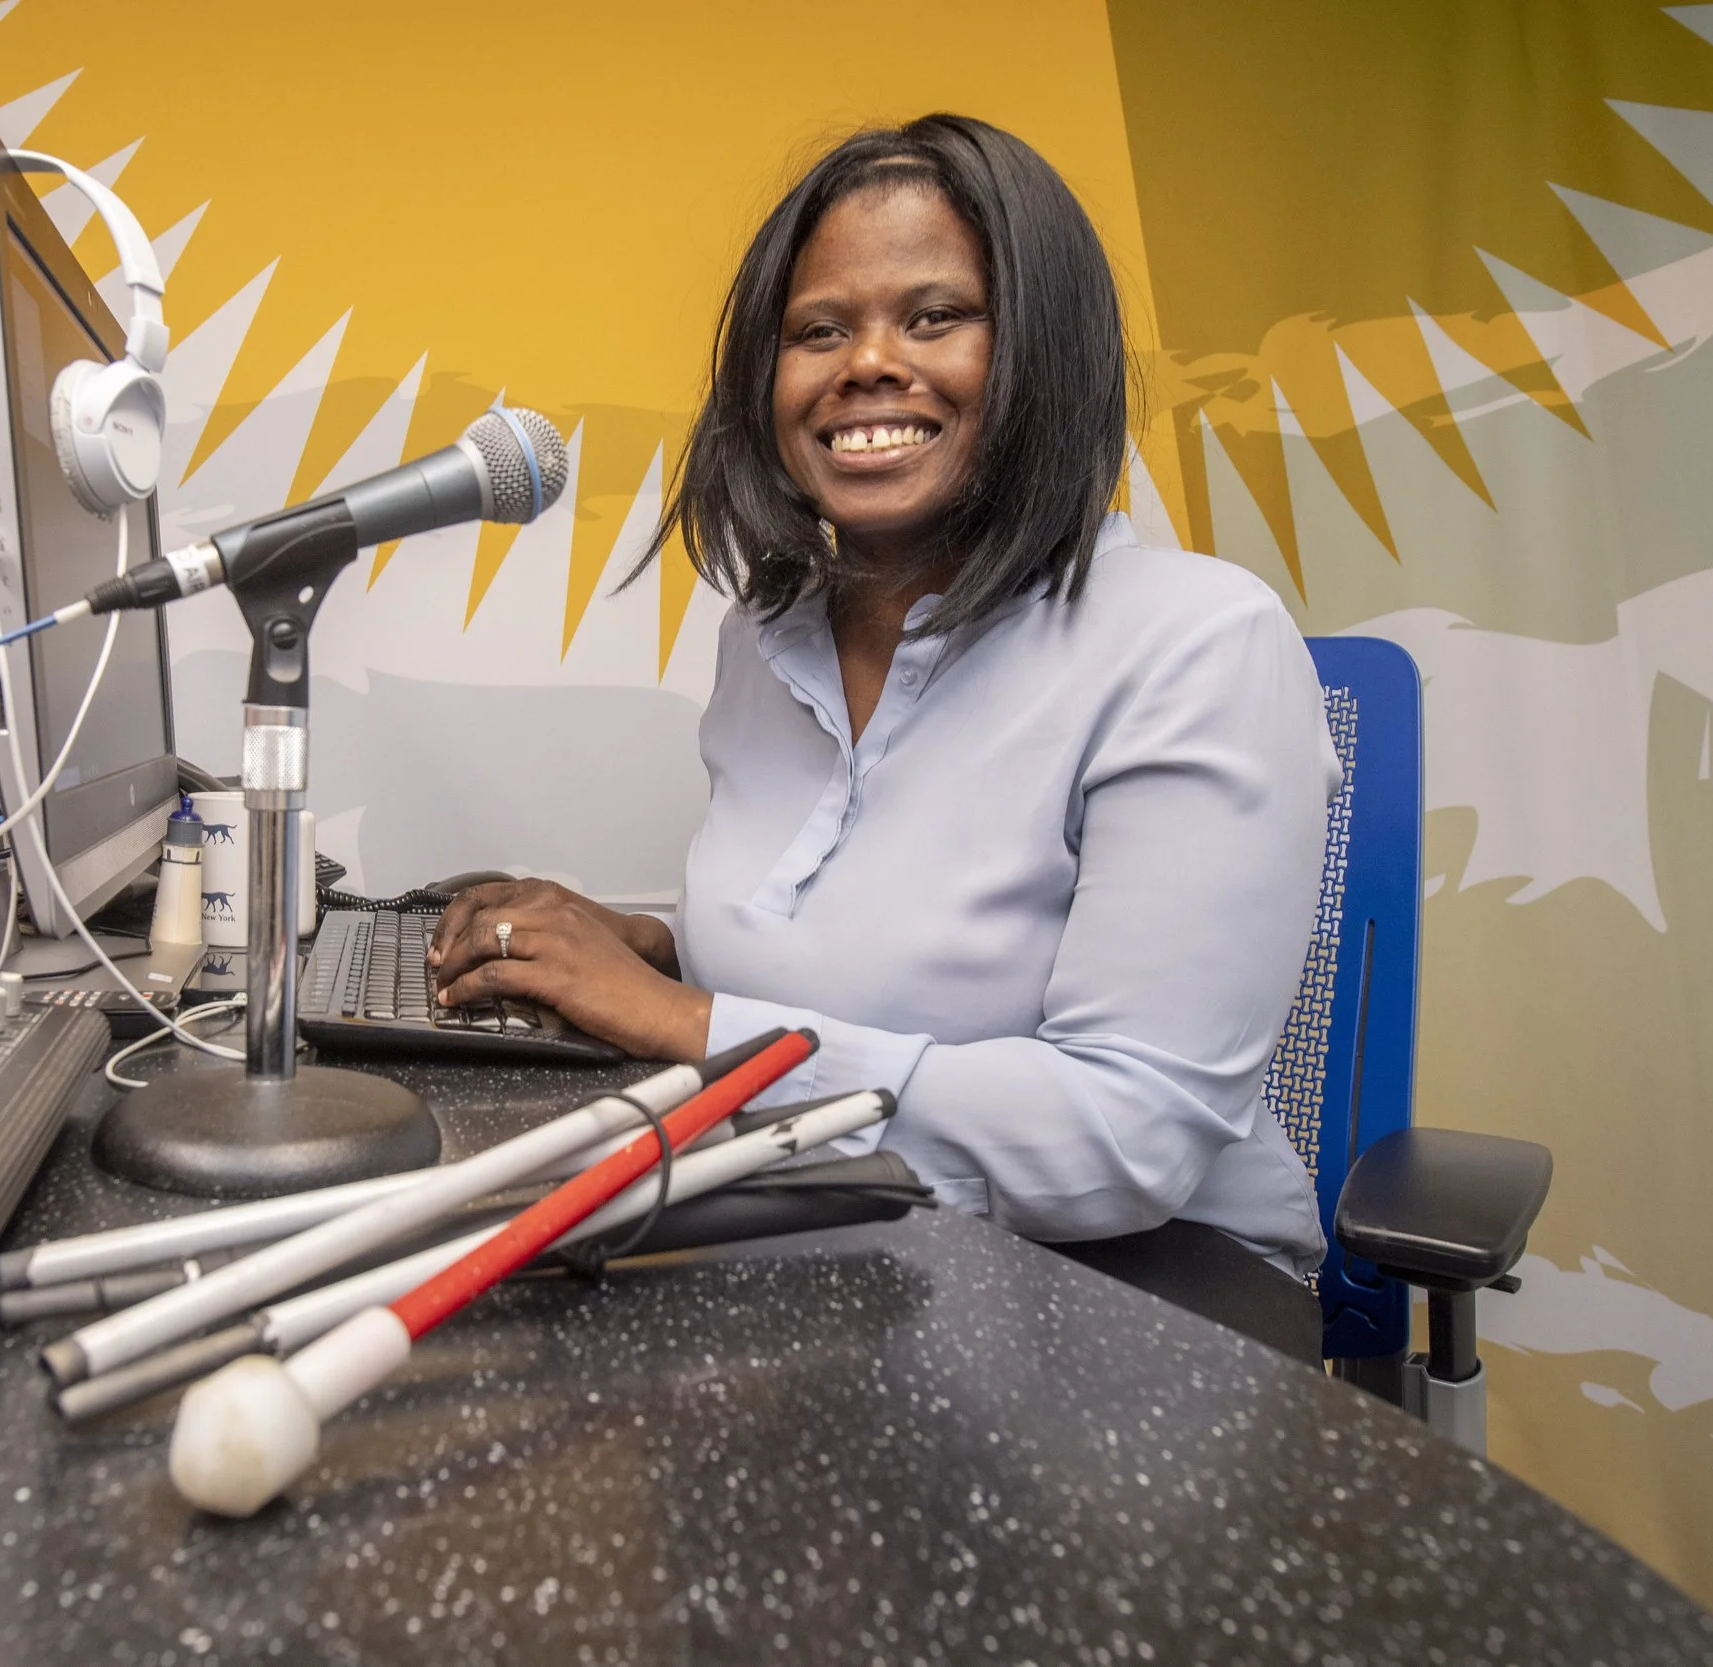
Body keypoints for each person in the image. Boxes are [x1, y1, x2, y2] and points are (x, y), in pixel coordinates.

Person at [426, 115, 1339, 1352]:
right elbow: (863, 950)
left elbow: (1125, 1136)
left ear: (1046, 356)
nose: (865, 363)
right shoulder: (766, 634)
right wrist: (645, 948)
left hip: (1148, 1289)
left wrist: (671, 1016)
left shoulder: (1199, 642)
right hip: (834, 1220)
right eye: (818, 330)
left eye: (934, 316)